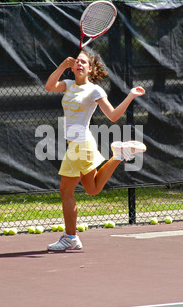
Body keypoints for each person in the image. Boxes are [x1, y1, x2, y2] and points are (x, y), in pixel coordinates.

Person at [44, 51, 146, 251]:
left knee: (66, 190)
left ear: (90, 69)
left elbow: (113, 116)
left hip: (81, 144)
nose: (79, 64)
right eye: (77, 62)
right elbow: (49, 86)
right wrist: (62, 66)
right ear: (73, 67)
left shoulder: (94, 90)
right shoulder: (68, 84)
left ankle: (71, 238)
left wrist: (131, 96)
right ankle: (118, 155)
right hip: (78, 146)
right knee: (92, 189)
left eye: (84, 62)